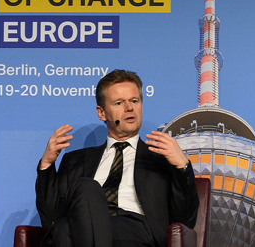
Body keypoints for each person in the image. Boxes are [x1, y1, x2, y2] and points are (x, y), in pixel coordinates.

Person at [35, 69, 199, 247]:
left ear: (141, 108)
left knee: (64, 230)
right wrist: (47, 164)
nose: (129, 108)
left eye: (135, 101)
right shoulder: (76, 160)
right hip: (82, 226)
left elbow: (186, 220)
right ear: (101, 113)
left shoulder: (161, 158)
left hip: (136, 233)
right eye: (119, 103)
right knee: (82, 194)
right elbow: (50, 218)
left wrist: (182, 166)